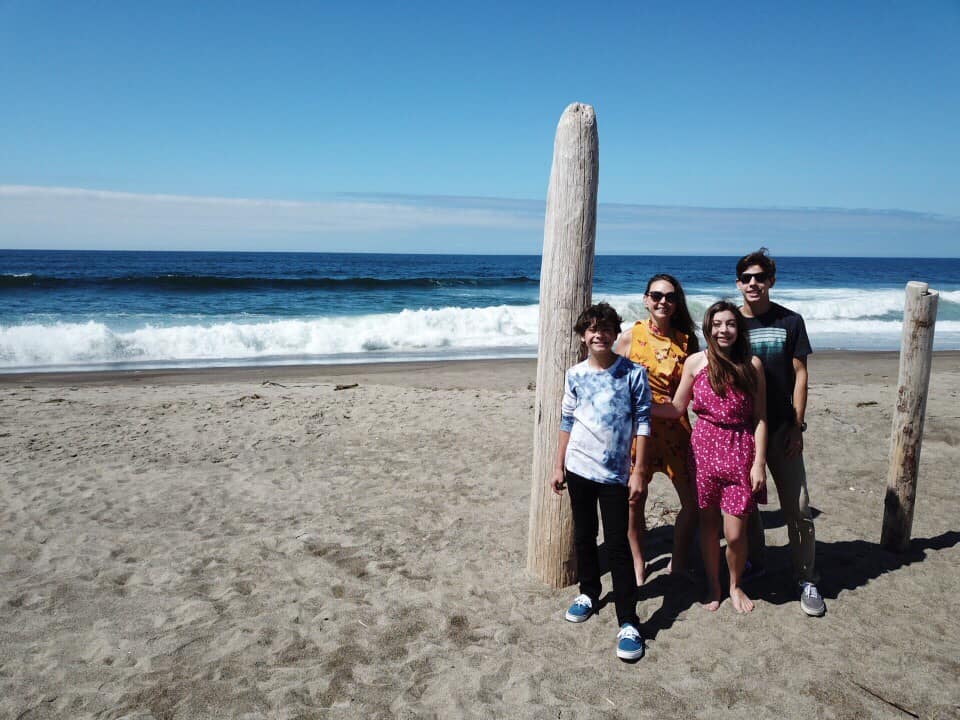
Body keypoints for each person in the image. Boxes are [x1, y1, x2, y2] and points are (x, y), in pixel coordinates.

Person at [551, 302, 651, 661]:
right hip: (578, 468)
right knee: (583, 535)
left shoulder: (632, 373)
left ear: (615, 333)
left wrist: (638, 470)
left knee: (618, 544)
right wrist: (558, 465)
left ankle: (628, 620)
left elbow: (643, 422)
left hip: (615, 474)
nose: (599, 334)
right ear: (583, 336)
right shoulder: (574, 374)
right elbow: (566, 421)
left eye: (606, 328)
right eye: (592, 329)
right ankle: (589, 593)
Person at [654, 301, 767, 613]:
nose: (723, 330)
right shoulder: (695, 363)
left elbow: (760, 418)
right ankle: (715, 586)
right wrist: (638, 406)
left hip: (741, 451)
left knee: (735, 534)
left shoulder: (752, 365)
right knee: (708, 526)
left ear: (738, 329)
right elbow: (677, 408)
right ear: (708, 329)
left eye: (730, 324)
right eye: (717, 324)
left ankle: (735, 584)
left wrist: (759, 463)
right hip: (703, 451)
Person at [735, 248, 825, 617]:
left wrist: (797, 425)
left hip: (781, 429)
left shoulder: (790, 320)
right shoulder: (729, 323)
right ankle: (756, 562)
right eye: (746, 278)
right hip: (740, 431)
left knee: (799, 507)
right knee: (746, 507)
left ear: (771, 281)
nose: (753, 283)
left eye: (759, 277)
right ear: (738, 283)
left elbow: (800, 375)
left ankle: (806, 577)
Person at [614, 274, 699, 584]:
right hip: (638, 433)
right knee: (635, 500)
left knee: (692, 503)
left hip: (677, 430)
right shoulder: (629, 336)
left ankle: (678, 558)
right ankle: (638, 560)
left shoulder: (686, 340)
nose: (663, 301)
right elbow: (609, 378)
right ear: (646, 299)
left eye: (670, 297)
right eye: (657, 295)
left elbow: (690, 392)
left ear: (677, 304)